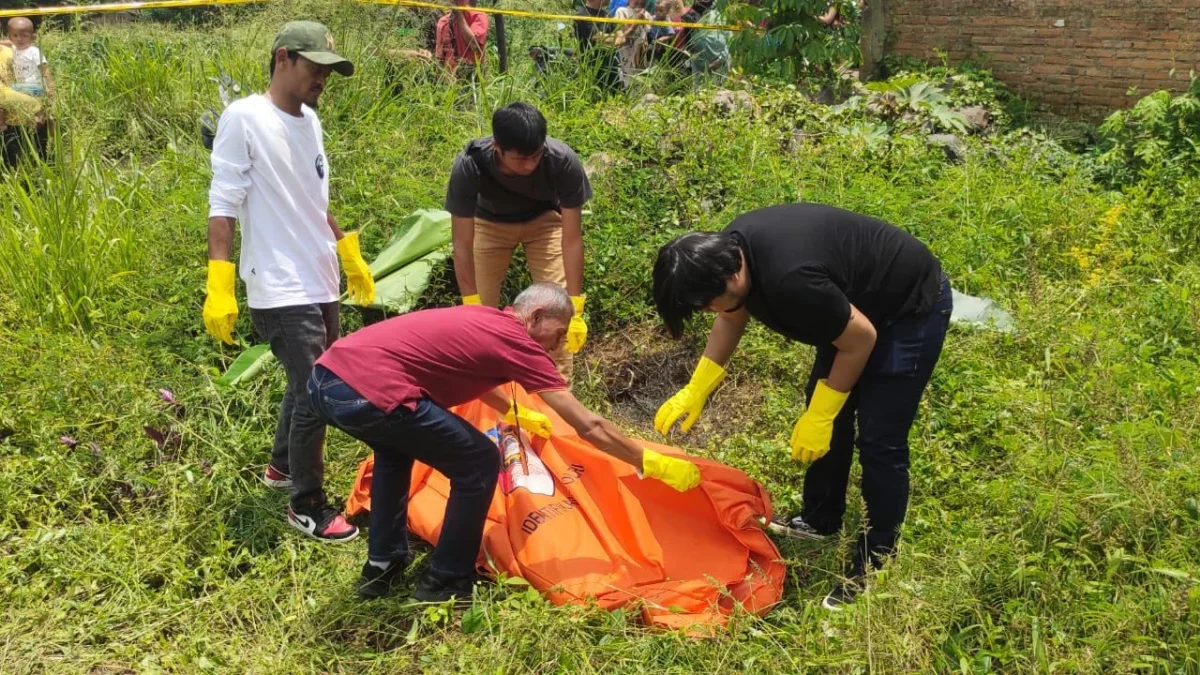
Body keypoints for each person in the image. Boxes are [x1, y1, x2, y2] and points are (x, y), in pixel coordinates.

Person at [309, 283, 702, 601]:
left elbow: (471, 373)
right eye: (559, 333)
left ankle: (384, 562)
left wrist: (516, 412)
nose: (557, 346)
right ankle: (444, 582)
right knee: (479, 460)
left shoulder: (485, 320)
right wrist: (647, 460)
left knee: (396, 452)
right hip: (368, 393)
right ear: (535, 316)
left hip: (326, 384)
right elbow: (589, 426)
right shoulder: (519, 340)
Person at [651, 203, 952, 611]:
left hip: (907, 308)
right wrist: (698, 387)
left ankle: (877, 554)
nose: (708, 312)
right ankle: (821, 518)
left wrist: (821, 415)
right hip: (848, 305)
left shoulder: (791, 280)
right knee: (827, 404)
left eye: (708, 303)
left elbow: (860, 339)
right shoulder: (731, 255)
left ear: (732, 274)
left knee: (881, 438)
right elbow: (731, 316)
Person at [204, 21, 376, 543]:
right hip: (279, 284)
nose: (323, 77)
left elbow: (314, 201)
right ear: (283, 58)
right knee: (317, 392)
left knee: (308, 384)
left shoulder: (311, 122)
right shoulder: (245, 117)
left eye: (330, 69)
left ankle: (281, 467)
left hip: (319, 276)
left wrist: (349, 254)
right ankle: (306, 506)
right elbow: (223, 205)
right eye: (315, 67)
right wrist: (220, 282)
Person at [445, 102, 590, 382]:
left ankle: (558, 392)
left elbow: (572, 239)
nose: (530, 164)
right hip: (489, 224)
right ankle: (487, 391)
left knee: (556, 313)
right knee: (481, 318)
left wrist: (575, 304)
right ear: (498, 147)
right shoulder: (470, 164)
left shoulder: (561, 160)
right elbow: (462, 242)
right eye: (521, 159)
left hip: (544, 223)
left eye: (536, 156)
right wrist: (470, 301)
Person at [574, 0, 621, 92]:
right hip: (592, 72)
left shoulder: (607, 15)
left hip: (611, 70)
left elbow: (622, 38)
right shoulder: (582, 16)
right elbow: (598, 37)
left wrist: (614, 38)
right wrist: (615, 37)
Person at [433, 0, 488, 78]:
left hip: (473, 77)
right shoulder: (443, 22)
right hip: (450, 80)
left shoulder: (479, 17)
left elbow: (473, 45)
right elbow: (440, 57)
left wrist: (459, 15)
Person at [614, 0, 652, 86]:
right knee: (624, 84)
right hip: (625, 58)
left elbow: (648, 33)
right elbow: (622, 37)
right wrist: (636, 22)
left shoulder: (647, 14)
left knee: (639, 85)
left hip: (640, 59)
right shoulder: (621, 11)